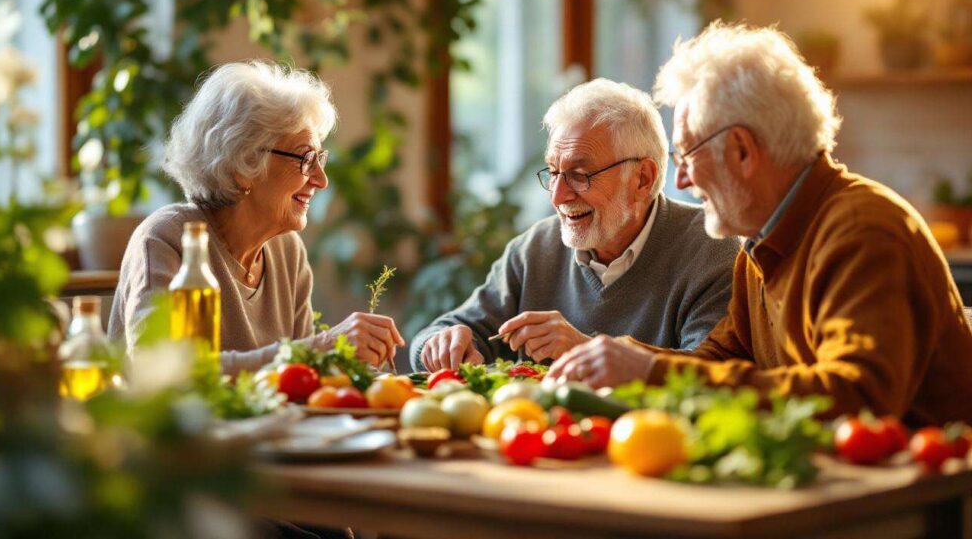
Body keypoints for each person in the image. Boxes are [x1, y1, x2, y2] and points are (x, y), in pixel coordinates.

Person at [547, 23, 972, 425]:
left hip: (916, 497)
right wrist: (627, 361)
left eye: (687, 155)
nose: (679, 181)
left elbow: (856, 398)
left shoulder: (862, 231)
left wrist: (651, 372)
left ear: (742, 151)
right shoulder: (761, 244)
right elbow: (719, 364)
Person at [410, 79, 740, 372]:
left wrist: (586, 350)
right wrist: (440, 343)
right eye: (553, 172)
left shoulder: (712, 248)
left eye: (580, 175)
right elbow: (447, 330)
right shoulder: (534, 251)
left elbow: (710, 377)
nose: (557, 196)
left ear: (643, 178)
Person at [110, 61, 404, 375]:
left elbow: (300, 378)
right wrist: (323, 346)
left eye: (319, 158)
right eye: (305, 159)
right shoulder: (167, 239)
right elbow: (163, 373)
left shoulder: (287, 251)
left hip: (260, 424)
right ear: (242, 164)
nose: (321, 179)